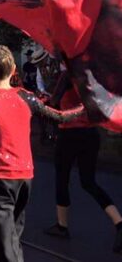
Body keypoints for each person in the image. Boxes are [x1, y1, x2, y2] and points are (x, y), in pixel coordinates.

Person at [0, 45, 85, 262]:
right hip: (24, 176)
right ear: (13, 69)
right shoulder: (27, 97)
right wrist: (85, 106)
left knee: (3, 245)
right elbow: (60, 117)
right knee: (14, 237)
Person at [43, 71, 122, 253]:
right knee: (89, 182)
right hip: (91, 134)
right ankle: (119, 222)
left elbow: (54, 102)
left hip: (70, 133)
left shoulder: (68, 75)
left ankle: (62, 226)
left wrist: (43, 101)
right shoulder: (92, 75)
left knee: (62, 179)